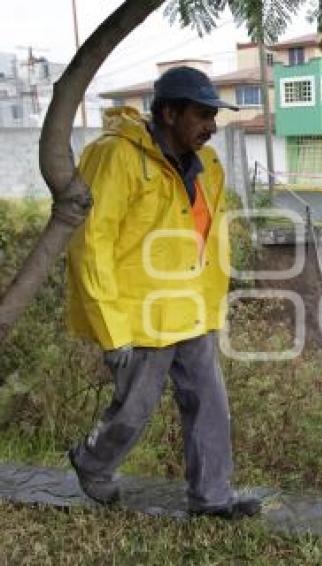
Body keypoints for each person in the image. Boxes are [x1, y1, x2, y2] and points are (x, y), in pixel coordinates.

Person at [65, 66, 260, 519]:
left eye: (214, 116)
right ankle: (92, 461)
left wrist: (219, 290)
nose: (211, 127)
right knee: (134, 409)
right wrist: (111, 329)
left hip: (192, 307)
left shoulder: (208, 164)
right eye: (202, 115)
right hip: (140, 312)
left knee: (210, 405)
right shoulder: (115, 156)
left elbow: (207, 233)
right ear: (169, 112)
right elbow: (91, 243)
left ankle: (211, 498)